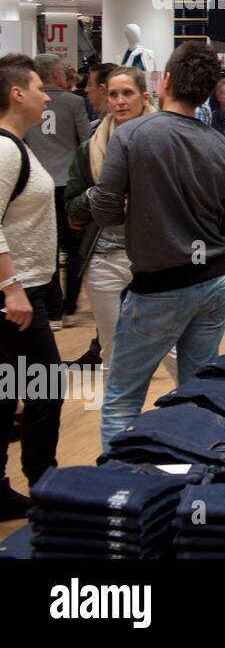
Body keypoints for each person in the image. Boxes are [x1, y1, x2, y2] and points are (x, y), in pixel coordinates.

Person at [90, 43, 225, 449]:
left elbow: (104, 211)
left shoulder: (131, 137)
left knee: (124, 398)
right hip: (212, 283)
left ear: (165, 82)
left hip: (157, 285)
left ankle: (116, 494)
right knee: (198, 394)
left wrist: (138, 210)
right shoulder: (223, 147)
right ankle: (190, 480)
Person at [0, 55, 60, 520]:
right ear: (17, 93)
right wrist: (11, 287)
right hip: (17, 296)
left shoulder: (19, 143)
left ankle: (19, 484)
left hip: (27, 290)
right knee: (44, 387)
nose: (47, 95)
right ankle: (45, 483)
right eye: (39, 87)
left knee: (13, 390)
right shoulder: (4, 149)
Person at [64, 67, 155, 370]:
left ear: (144, 97)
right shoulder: (90, 148)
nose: (119, 101)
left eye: (127, 93)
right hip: (103, 258)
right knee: (112, 352)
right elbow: (73, 208)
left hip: (155, 258)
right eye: (113, 94)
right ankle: (116, 418)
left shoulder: (165, 142)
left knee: (167, 348)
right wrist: (99, 194)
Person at [23, 54, 91, 331]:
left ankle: (52, 310)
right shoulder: (75, 102)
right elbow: (86, 140)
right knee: (74, 247)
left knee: (47, 247)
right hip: (68, 182)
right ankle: (69, 308)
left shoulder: (28, 105)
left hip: (37, 184)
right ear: (54, 75)